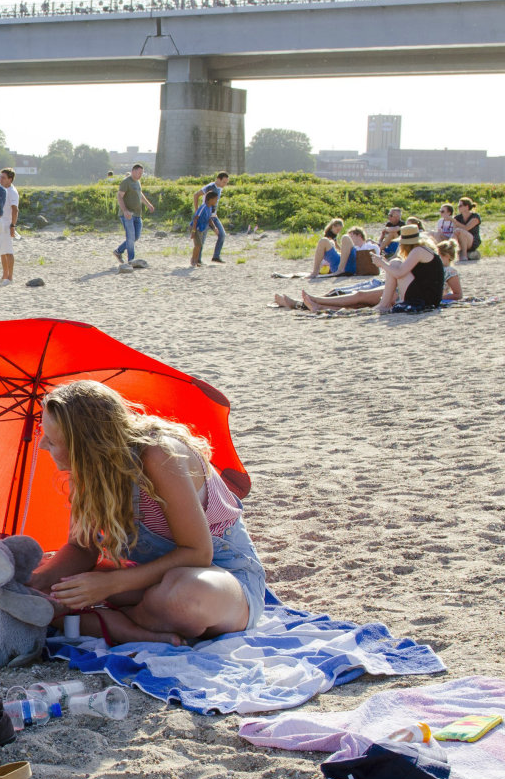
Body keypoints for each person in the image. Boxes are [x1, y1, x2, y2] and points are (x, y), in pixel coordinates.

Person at [25, 379, 267, 645]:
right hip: (147, 580)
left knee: (185, 596)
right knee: (50, 586)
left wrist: (112, 585)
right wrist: (40, 581)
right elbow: (82, 548)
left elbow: (198, 553)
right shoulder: (87, 472)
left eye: (52, 439)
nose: (43, 445)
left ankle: (117, 626)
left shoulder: (158, 456)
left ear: (84, 444)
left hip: (222, 577)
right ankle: (134, 624)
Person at [300, 224, 445, 315]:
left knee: (394, 264)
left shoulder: (418, 251)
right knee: (392, 265)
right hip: (427, 296)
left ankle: (383, 304)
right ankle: (319, 304)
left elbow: (400, 273)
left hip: (424, 298)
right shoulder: (424, 251)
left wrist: (382, 264)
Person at [114, 164, 155, 272]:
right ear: (133, 171)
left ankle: (118, 251)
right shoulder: (126, 182)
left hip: (137, 214)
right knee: (131, 237)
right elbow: (119, 196)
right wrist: (125, 210)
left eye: (141, 173)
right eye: (139, 173)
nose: (140, 175)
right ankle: (131, 261)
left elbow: (140, 194)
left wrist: (148, 204)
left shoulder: (137, 182)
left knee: (135, 237)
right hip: (127, 215)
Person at [191, 171, 230, 264]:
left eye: (226, 182)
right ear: (218, 179)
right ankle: (198, 260)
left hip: (214, 217)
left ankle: (216, 256)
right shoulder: (210, 187)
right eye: (224, 182)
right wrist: (197, 210)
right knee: (202, 240)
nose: (225, 184)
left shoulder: (220, 188)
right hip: (205, 217)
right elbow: (196, 195)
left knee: (222, 234)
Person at [0, 168, 20, 285]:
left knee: (8, 251)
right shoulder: (2, 189)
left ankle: (10, 277)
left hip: (7, 224)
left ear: (10, 179)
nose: (1, 179)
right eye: (0, 177)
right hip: (0, 222)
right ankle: (4, 275)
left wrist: (13, 225)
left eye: (4, 177)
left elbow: (15, 210)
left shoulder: (12, 192)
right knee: (2, 251)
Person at [190, 190, 218, 268]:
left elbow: (209, 219)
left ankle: (195, 261)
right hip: (196, 228)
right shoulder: (203, 207)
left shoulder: (210, 207)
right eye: (215, 199)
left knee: (199, 245)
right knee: (198, 245)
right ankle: (193, 260)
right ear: (210, 199)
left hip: (201, 228)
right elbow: (195, 218)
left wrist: (214, 228)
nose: (216, 201)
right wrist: (193, 231)